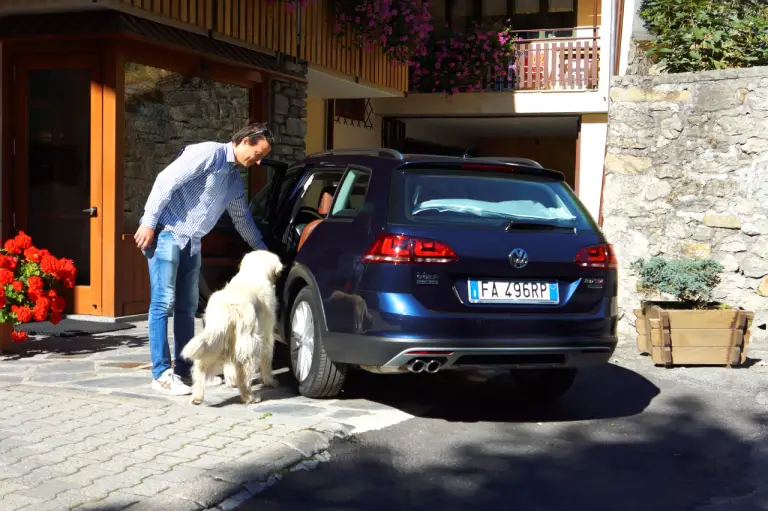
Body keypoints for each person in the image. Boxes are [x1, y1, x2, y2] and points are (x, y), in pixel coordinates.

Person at [134, 122, 273, 396]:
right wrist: (149, 222)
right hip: (166, 233)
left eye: (262, 158)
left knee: (187, 306)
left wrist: (261, 249)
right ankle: (161, 374)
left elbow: (242, 218)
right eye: (258, 154)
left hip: (192, 242)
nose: (258, 162)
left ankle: (187, 370)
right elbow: (166, 180)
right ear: (245, 140)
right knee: (163, 302)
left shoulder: (234, 180)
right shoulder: (208, 153)